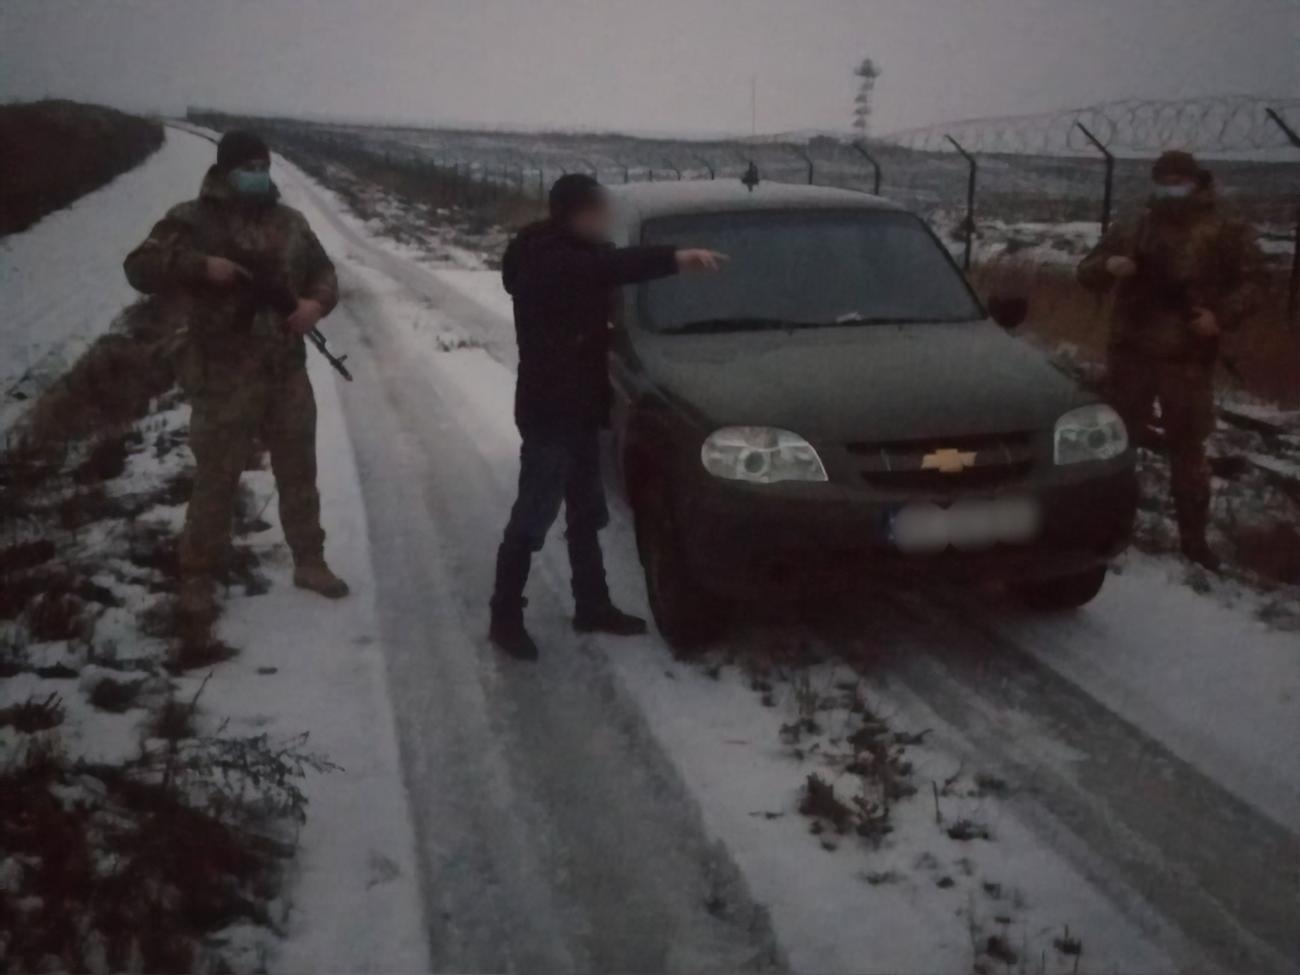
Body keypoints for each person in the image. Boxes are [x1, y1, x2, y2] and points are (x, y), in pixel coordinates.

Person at [489, 174, 726, 660]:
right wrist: (673, 258)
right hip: (550, 414)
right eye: (599, 213)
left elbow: (602, 273)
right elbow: (607, 268)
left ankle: (592, 605)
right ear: (577, 215)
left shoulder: (567, 250)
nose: (606, 222)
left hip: (578, 409)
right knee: (532, 519)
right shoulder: (548, 260)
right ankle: (504, 617)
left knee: (586, 514)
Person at [124, 130, 348, 625]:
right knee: (216, 479)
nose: (258, 173)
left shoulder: (290, 223)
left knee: (299, 472)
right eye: (247, 165)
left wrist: (314, 305)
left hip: (285, 370)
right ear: (226, 170)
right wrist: (201, 266)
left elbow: (324, 273)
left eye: (263, 165)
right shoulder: (191, 220)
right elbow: (138, 268)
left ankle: (310, 562)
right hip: (223, 373)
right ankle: (198, 575)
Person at [1077, 150, 1265, 570]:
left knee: (1187, 448)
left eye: (1179, 179)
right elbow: (1085, 270)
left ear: (1196, 180)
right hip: (1130, 353)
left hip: (1187, 357)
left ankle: (1194, 543)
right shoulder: (1134, 222)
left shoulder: (1224, 226)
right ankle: (1110, 525)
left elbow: (1255, 282)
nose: (1171, 187)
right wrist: (1109, 265)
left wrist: (1220, 317)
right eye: (1163, 179)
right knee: (1117, 442)